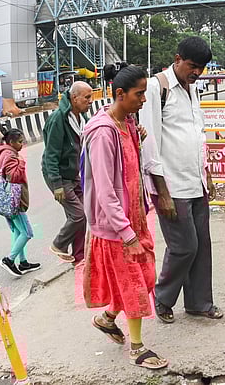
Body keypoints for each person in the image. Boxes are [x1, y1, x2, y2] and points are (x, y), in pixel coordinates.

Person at [81, 64, 167, 370]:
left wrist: (137, 136)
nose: (144, 99)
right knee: (133, 283)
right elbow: (105, 190)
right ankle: (137, 348)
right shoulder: (103, 133)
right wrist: (126, 233)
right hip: (118, 227)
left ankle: (106, 319)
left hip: (135, 216)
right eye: (139, 94)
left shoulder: (126, 123)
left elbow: (129, 168)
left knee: (143, 278)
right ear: (120, 94)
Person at [139, 36, 222, 324]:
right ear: (177, 59)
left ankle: (199, 303)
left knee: (202, 244)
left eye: (201, 68)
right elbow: (150, 143)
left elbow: (196, 135)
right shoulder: (155, 88)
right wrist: (161, 192)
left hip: (195, 181)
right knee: (184, 245)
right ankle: (162, 297)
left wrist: (207, 174)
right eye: (192, 66)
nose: (196, 72)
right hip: (171, 185)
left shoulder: (192, 89)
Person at [42, 81, 93, 264]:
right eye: (86, 98)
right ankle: (58, 244)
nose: (90, 101)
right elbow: (51, 154)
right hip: (58, 175)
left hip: (73, 174)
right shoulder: (58, 119)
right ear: (74, 97)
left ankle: (79, 257)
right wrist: (56, 185)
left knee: (84, 214)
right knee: (78, 215)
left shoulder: (80, 119)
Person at [0, 128, 40, 278]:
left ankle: (23, 262)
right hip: (14, 200)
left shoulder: (5, 153)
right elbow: (13, 177)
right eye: (20, 142)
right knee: (27, 233)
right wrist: (21, 163)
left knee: (17, 231)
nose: (22, 144)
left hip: (7, 200)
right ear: (11, 142)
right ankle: (9, 260)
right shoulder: (10, 156)